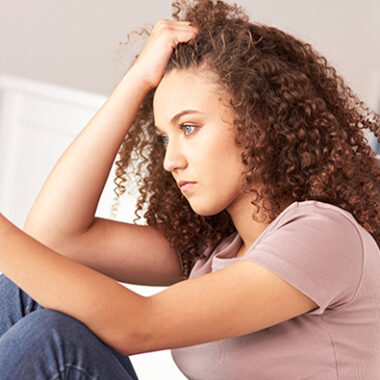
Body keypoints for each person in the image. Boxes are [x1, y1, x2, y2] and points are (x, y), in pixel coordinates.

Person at [0, 0, 379, 378]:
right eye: (165, 138)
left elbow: (138, 324)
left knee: (51, 341)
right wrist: (137, 80)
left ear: (259, 123)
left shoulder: (325, 235)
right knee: (22, 288)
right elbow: (55, 239)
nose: (170, 161)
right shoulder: (216, 251)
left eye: (189, 128)